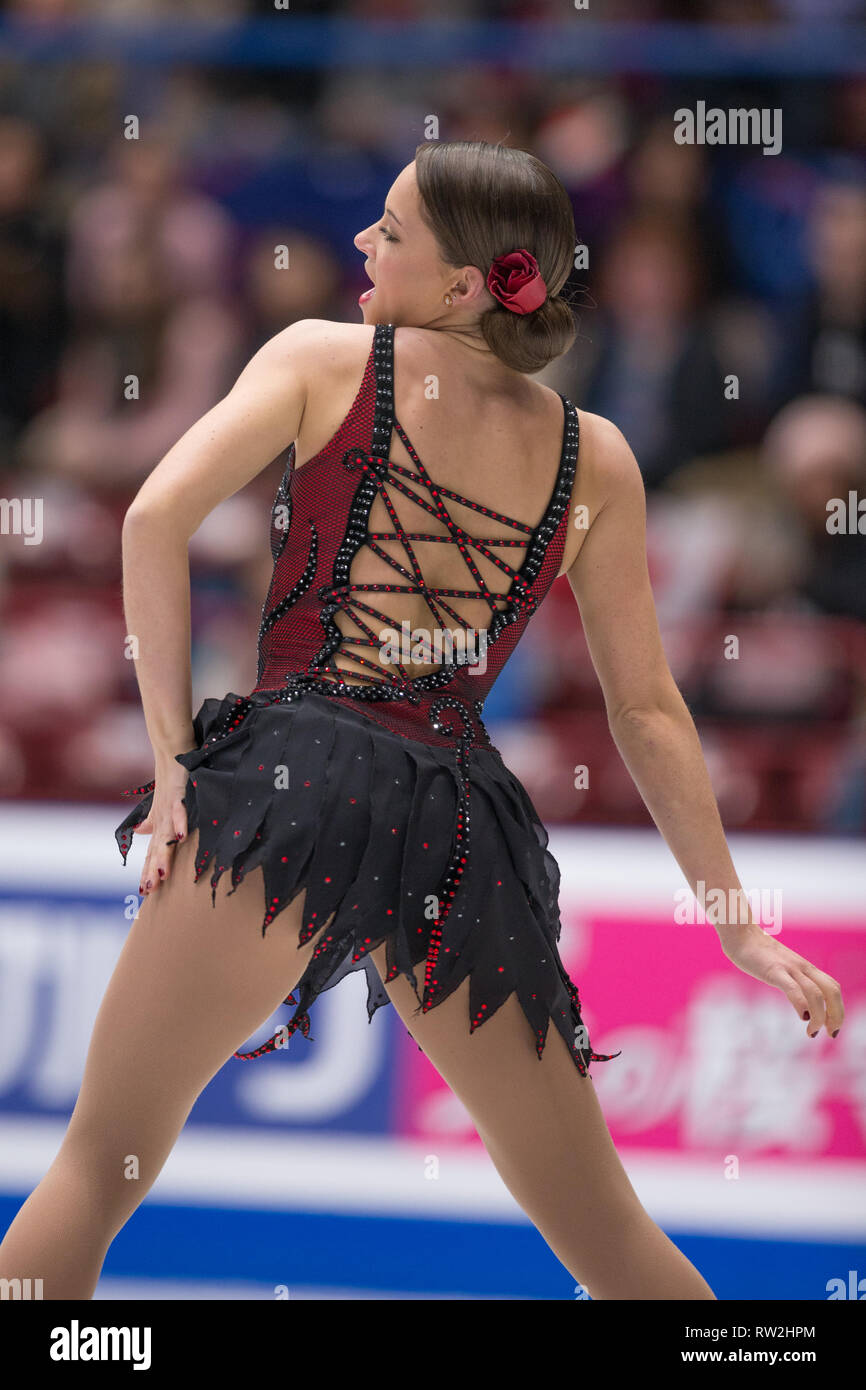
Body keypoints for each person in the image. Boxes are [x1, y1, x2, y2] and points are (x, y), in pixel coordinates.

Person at [0, 140, 844, 1301]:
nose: (360, 241)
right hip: (457, 822)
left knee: (100, 1165)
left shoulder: (320, 358)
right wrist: (735, 924)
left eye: (389, 230)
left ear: (459, 285)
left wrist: (171, 765)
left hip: (297, 778)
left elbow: (152, 519)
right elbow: (645, 710)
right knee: (609, 1239)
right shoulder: (594, 455)